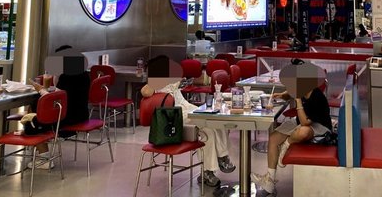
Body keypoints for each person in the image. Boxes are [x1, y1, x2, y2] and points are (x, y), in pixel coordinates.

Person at [251, 61, 331, 195]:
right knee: (273, 138)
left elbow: (305, 123)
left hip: (320, 127)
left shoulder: (317, 97)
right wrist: (282, 95)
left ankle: (286, 145)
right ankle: (270, 179)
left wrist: (298, 101)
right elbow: (290, 93)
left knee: (303, 132)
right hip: (300, 122)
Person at [140, 82, 235, 187]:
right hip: (175, 119)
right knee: (207, 131)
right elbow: (145, 91)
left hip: (187, 109)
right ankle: (207, 171)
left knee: (216, 121)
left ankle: (222, 157)